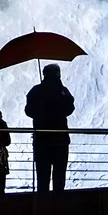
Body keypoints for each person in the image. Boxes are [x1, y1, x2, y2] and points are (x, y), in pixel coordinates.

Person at [25, 63, 75, 193]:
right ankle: (58, 206)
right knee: (59, 176)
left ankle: (43, 206)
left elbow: (29, 111)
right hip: (60, 139)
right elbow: (70, 108)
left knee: (42, 178)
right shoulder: (63, 91)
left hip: (41, 139)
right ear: (58, 74)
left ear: (44, 74)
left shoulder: (35, 91)